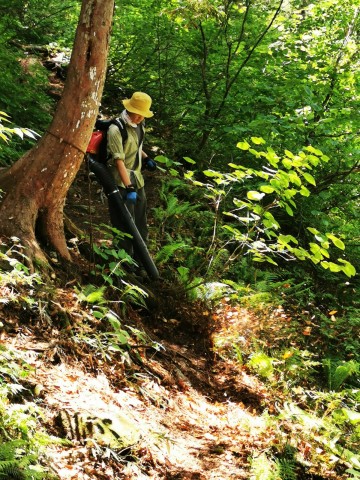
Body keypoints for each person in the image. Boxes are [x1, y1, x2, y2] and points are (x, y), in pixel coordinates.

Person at [106, 91, 157, 267]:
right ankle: (123, 264)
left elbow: (136, 147)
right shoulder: (116, 129)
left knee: (140, 223)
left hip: (137, 180)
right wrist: (128, 187)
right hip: (121, 183)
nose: (140, 118)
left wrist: (146, 158)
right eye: (138, 114)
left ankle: (141, 261)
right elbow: (118, 159)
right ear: (129, 109)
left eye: (143, 115)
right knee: (125, 225)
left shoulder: (139, 125)